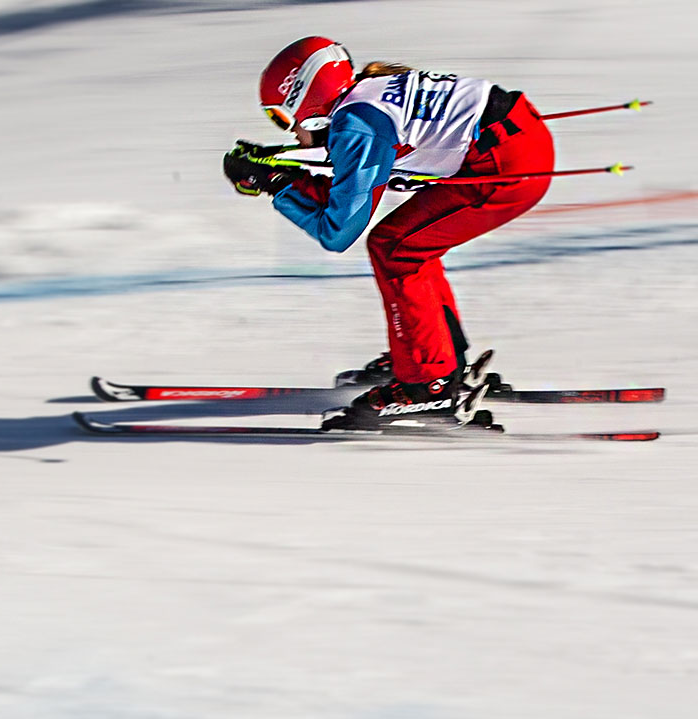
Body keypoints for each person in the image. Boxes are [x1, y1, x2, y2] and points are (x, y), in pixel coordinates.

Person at [224, 36, 554, 429]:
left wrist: (278, 185)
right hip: (515, 142)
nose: (289, 130)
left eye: (281, 117)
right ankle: (434, 356)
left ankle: (428, 384)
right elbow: (348, 190)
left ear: (307, 103)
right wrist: (280, 174)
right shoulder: (364, 96)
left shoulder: (358, 123)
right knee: (406, 244)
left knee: (395, 247)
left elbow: (338, 230)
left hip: (507, 166)